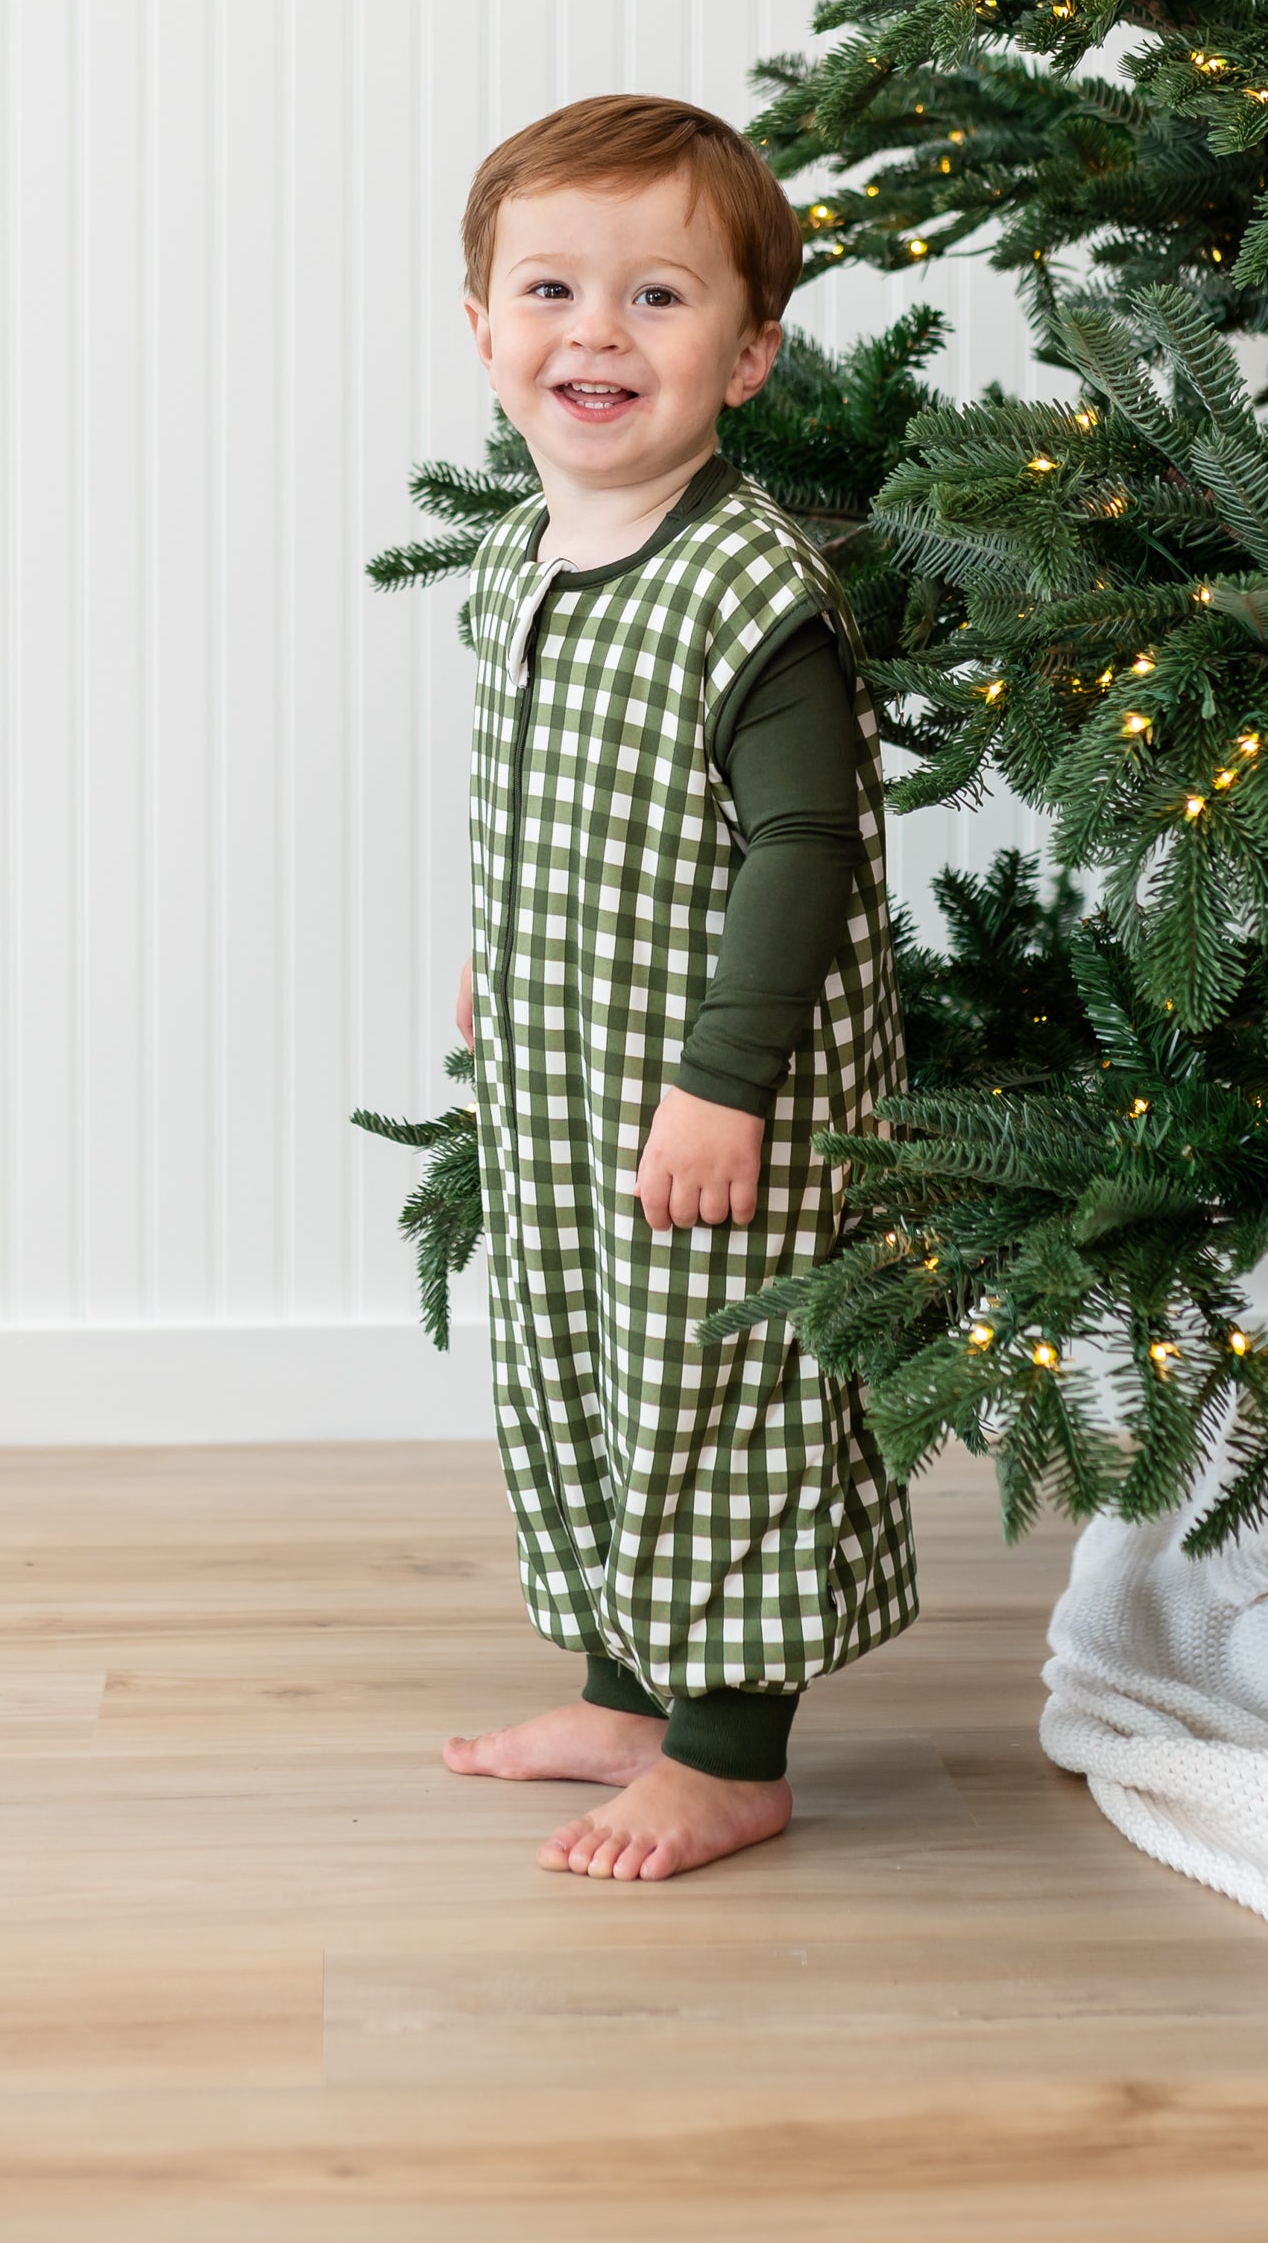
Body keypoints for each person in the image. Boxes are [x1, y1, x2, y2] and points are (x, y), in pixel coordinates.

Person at [434, 93, 918, 1882]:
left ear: (751, 351)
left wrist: (728, 1083)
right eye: (552, 288)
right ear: (483, 326)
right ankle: (629, 1696)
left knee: (725, 1387)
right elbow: (542, 790)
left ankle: (731, 1751)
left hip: (729, 1088)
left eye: (657, 298)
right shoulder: (518, 558)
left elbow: (803, 851)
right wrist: (497, 957)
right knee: (586, 1362)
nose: (595, 334)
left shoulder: (747, 588)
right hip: (570, 1070)